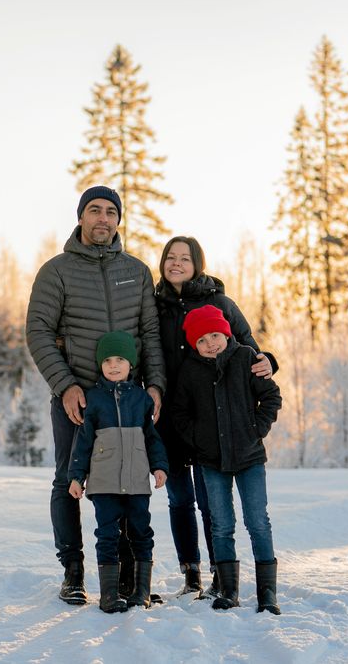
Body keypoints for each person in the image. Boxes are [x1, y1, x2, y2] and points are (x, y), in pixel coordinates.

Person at [26, 186, 165, 605]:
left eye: (110, 212)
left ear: (118, 220)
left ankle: (123, 574)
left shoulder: (138, 272)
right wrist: (65, 385)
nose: (103, 218)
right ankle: (72, 570)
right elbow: (38, 332)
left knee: (125, 484)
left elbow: (151, 334)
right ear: (81, 217)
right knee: (67, 480)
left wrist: (154, 384)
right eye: (94, 210)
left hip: (127, 402)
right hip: (79, 400)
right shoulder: (57, 271)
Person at [153, 236, 277, 597]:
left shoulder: (218, 302)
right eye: (170, 258)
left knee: (212, 502)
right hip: (173, 417)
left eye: (184, 258)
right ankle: (191, 573)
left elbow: (248, 347)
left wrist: (270, 361)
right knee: (179, 499)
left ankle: (221, 576)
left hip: (217, 421)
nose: (176, 264)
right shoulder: (153, 305)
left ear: (197, 264)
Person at [172, 305, 283, 614]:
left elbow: (272, 397)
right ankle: (228, 589)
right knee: (221, 525)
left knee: (257, 522)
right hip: (211, 461)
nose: (211, 344)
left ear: (226, 333)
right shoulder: (190, 371)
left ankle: (267, 592)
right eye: (203, 340)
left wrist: (255, 429)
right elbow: (179, 413)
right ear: (194, 344)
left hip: (249, 457)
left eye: (215, 336)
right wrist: (198, 439)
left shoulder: (246, 358)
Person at [67, 331, 170, 613]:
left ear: (131, 364)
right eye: (108, 360)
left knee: (141, 532)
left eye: (120, 359)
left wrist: (159, 467)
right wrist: (76, 476)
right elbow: (83, 441)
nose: (114, 365)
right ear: (100, 364)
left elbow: (152, 438)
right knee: (108, 535)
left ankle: (141, 592)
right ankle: (110, 594)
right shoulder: (93, 400)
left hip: (137, 481)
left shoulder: (141, 399)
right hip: (103, 483)